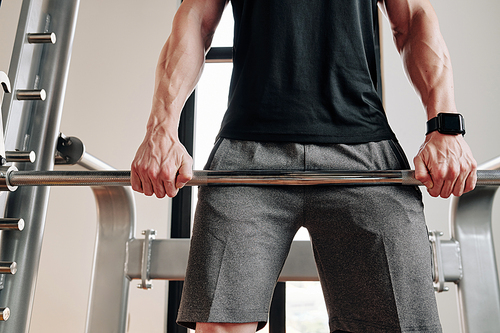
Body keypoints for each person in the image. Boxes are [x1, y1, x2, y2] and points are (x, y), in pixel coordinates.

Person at [131, 0, 477, 332]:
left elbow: (413, 18)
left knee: (401, 325)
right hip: (247, 158)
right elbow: (196, 19)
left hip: (365, 158)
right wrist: (161, 129)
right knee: (220, 325)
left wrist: (444, 127)